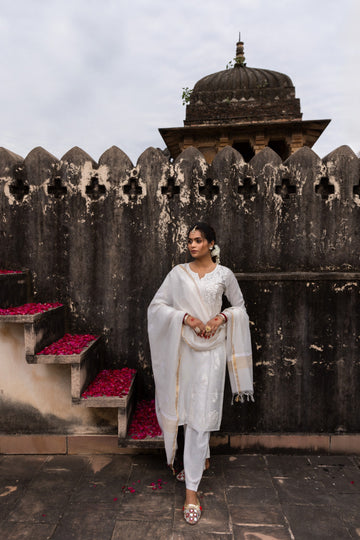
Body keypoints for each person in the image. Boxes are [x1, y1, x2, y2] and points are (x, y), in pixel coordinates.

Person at [147, 222, 253, 525]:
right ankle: (199, 460)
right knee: (186, 411)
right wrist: (186, 318)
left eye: (198, 240)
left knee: (200, 417)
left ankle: (191, 490)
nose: (192, 245)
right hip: (184, 352)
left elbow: (240, 307)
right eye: (189, 241)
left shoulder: (225, 275)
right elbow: (157, 307)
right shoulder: (177, 274)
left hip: (214, 353)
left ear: (211, 243)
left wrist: (221, 318)